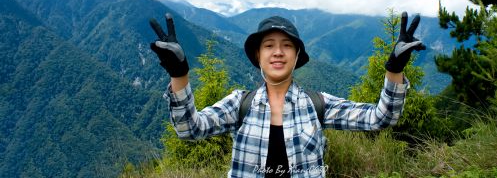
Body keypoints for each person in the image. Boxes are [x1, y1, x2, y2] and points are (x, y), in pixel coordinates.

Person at [149, 12, 425, 178]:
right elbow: (189, 129)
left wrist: (394, 69)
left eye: (286, 46)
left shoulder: (318, 105)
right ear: (258, 56)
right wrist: (179, 74)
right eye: (268, 45)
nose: (277, 52)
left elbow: (381, 118)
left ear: (296, 56)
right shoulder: (239, 105)